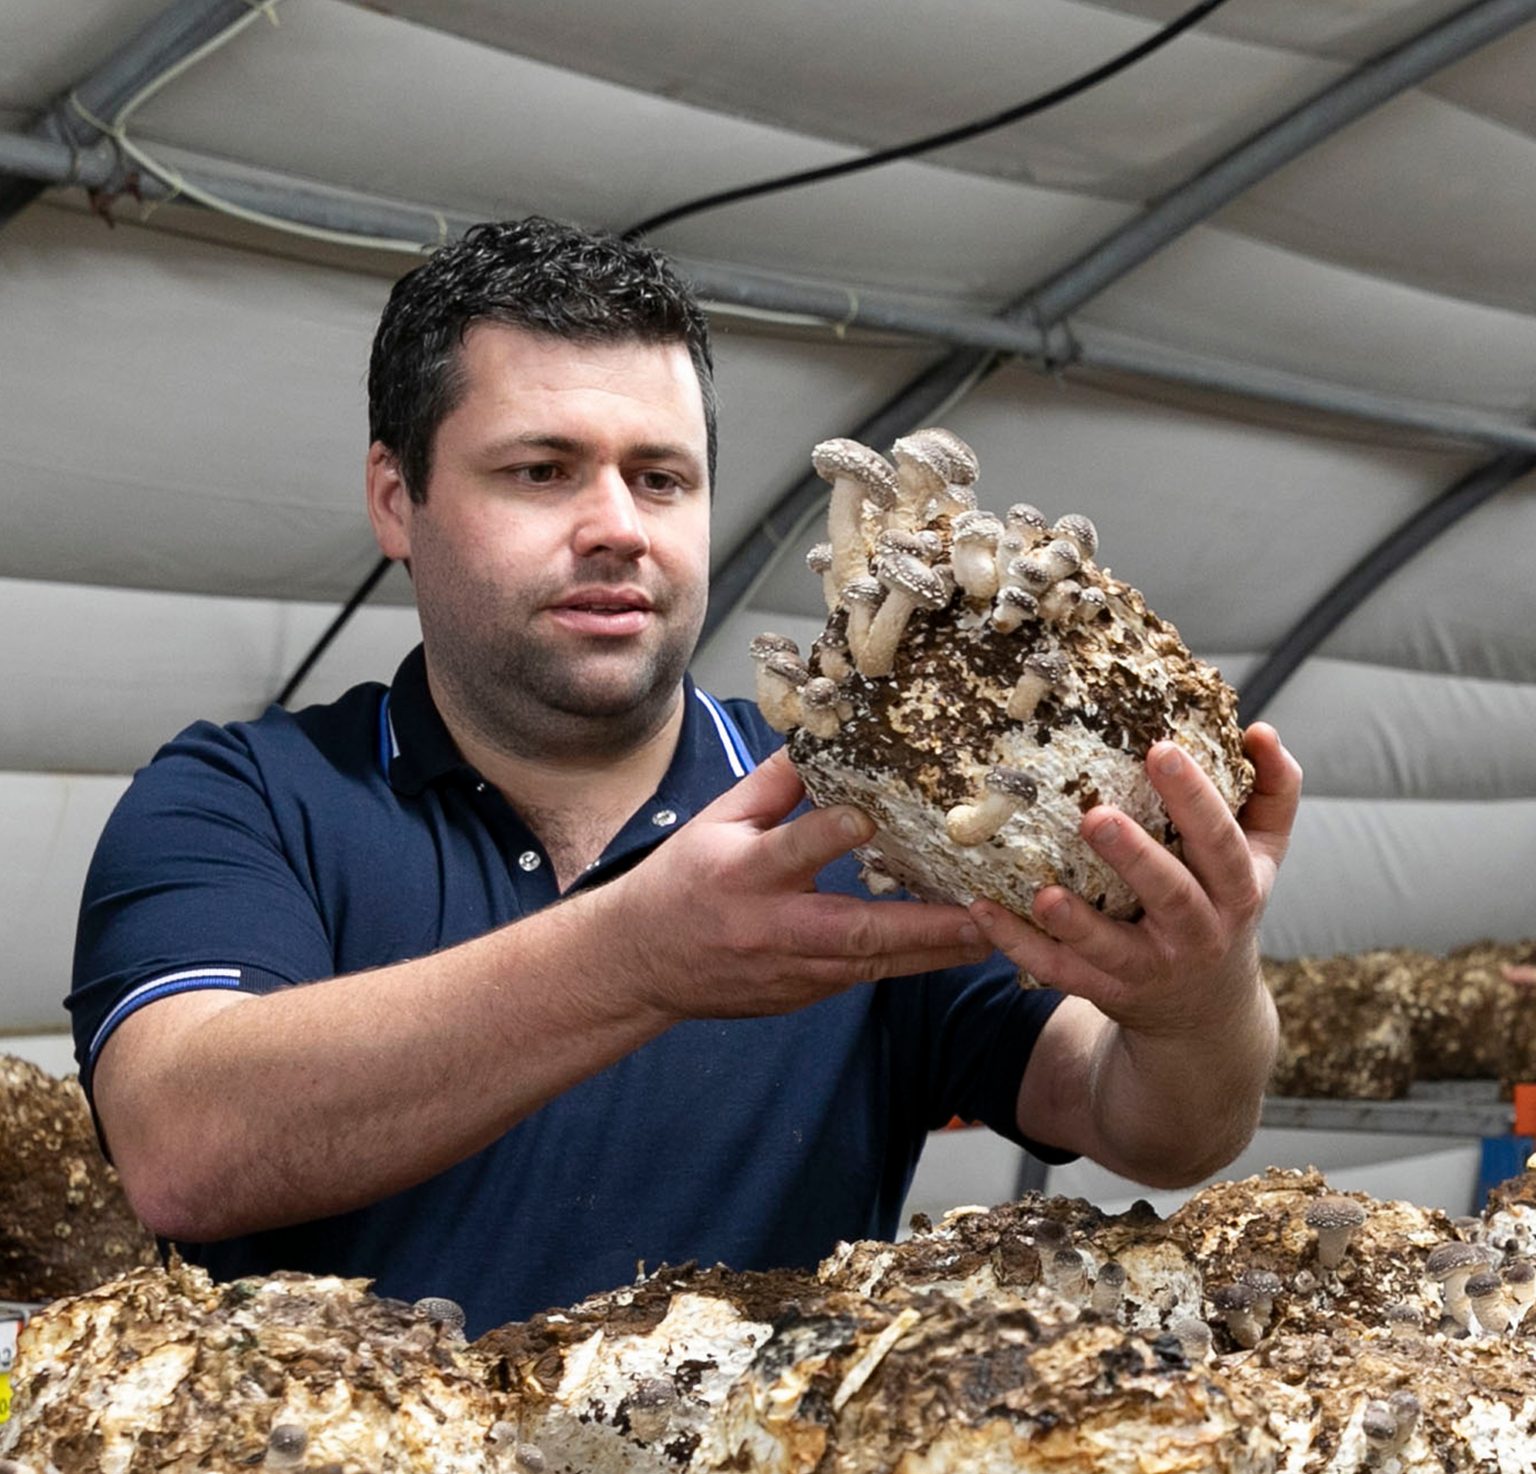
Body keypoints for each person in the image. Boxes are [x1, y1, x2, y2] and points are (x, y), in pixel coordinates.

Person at [69, 217, 1301, 1336]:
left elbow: (1152, 1121)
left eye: (662, 477)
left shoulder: (869, 822)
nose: (618, 524)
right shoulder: (247, 798)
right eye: (540, 470)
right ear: (399, 499)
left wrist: (1202, 1001)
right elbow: (184, 1145)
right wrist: (635, 958)